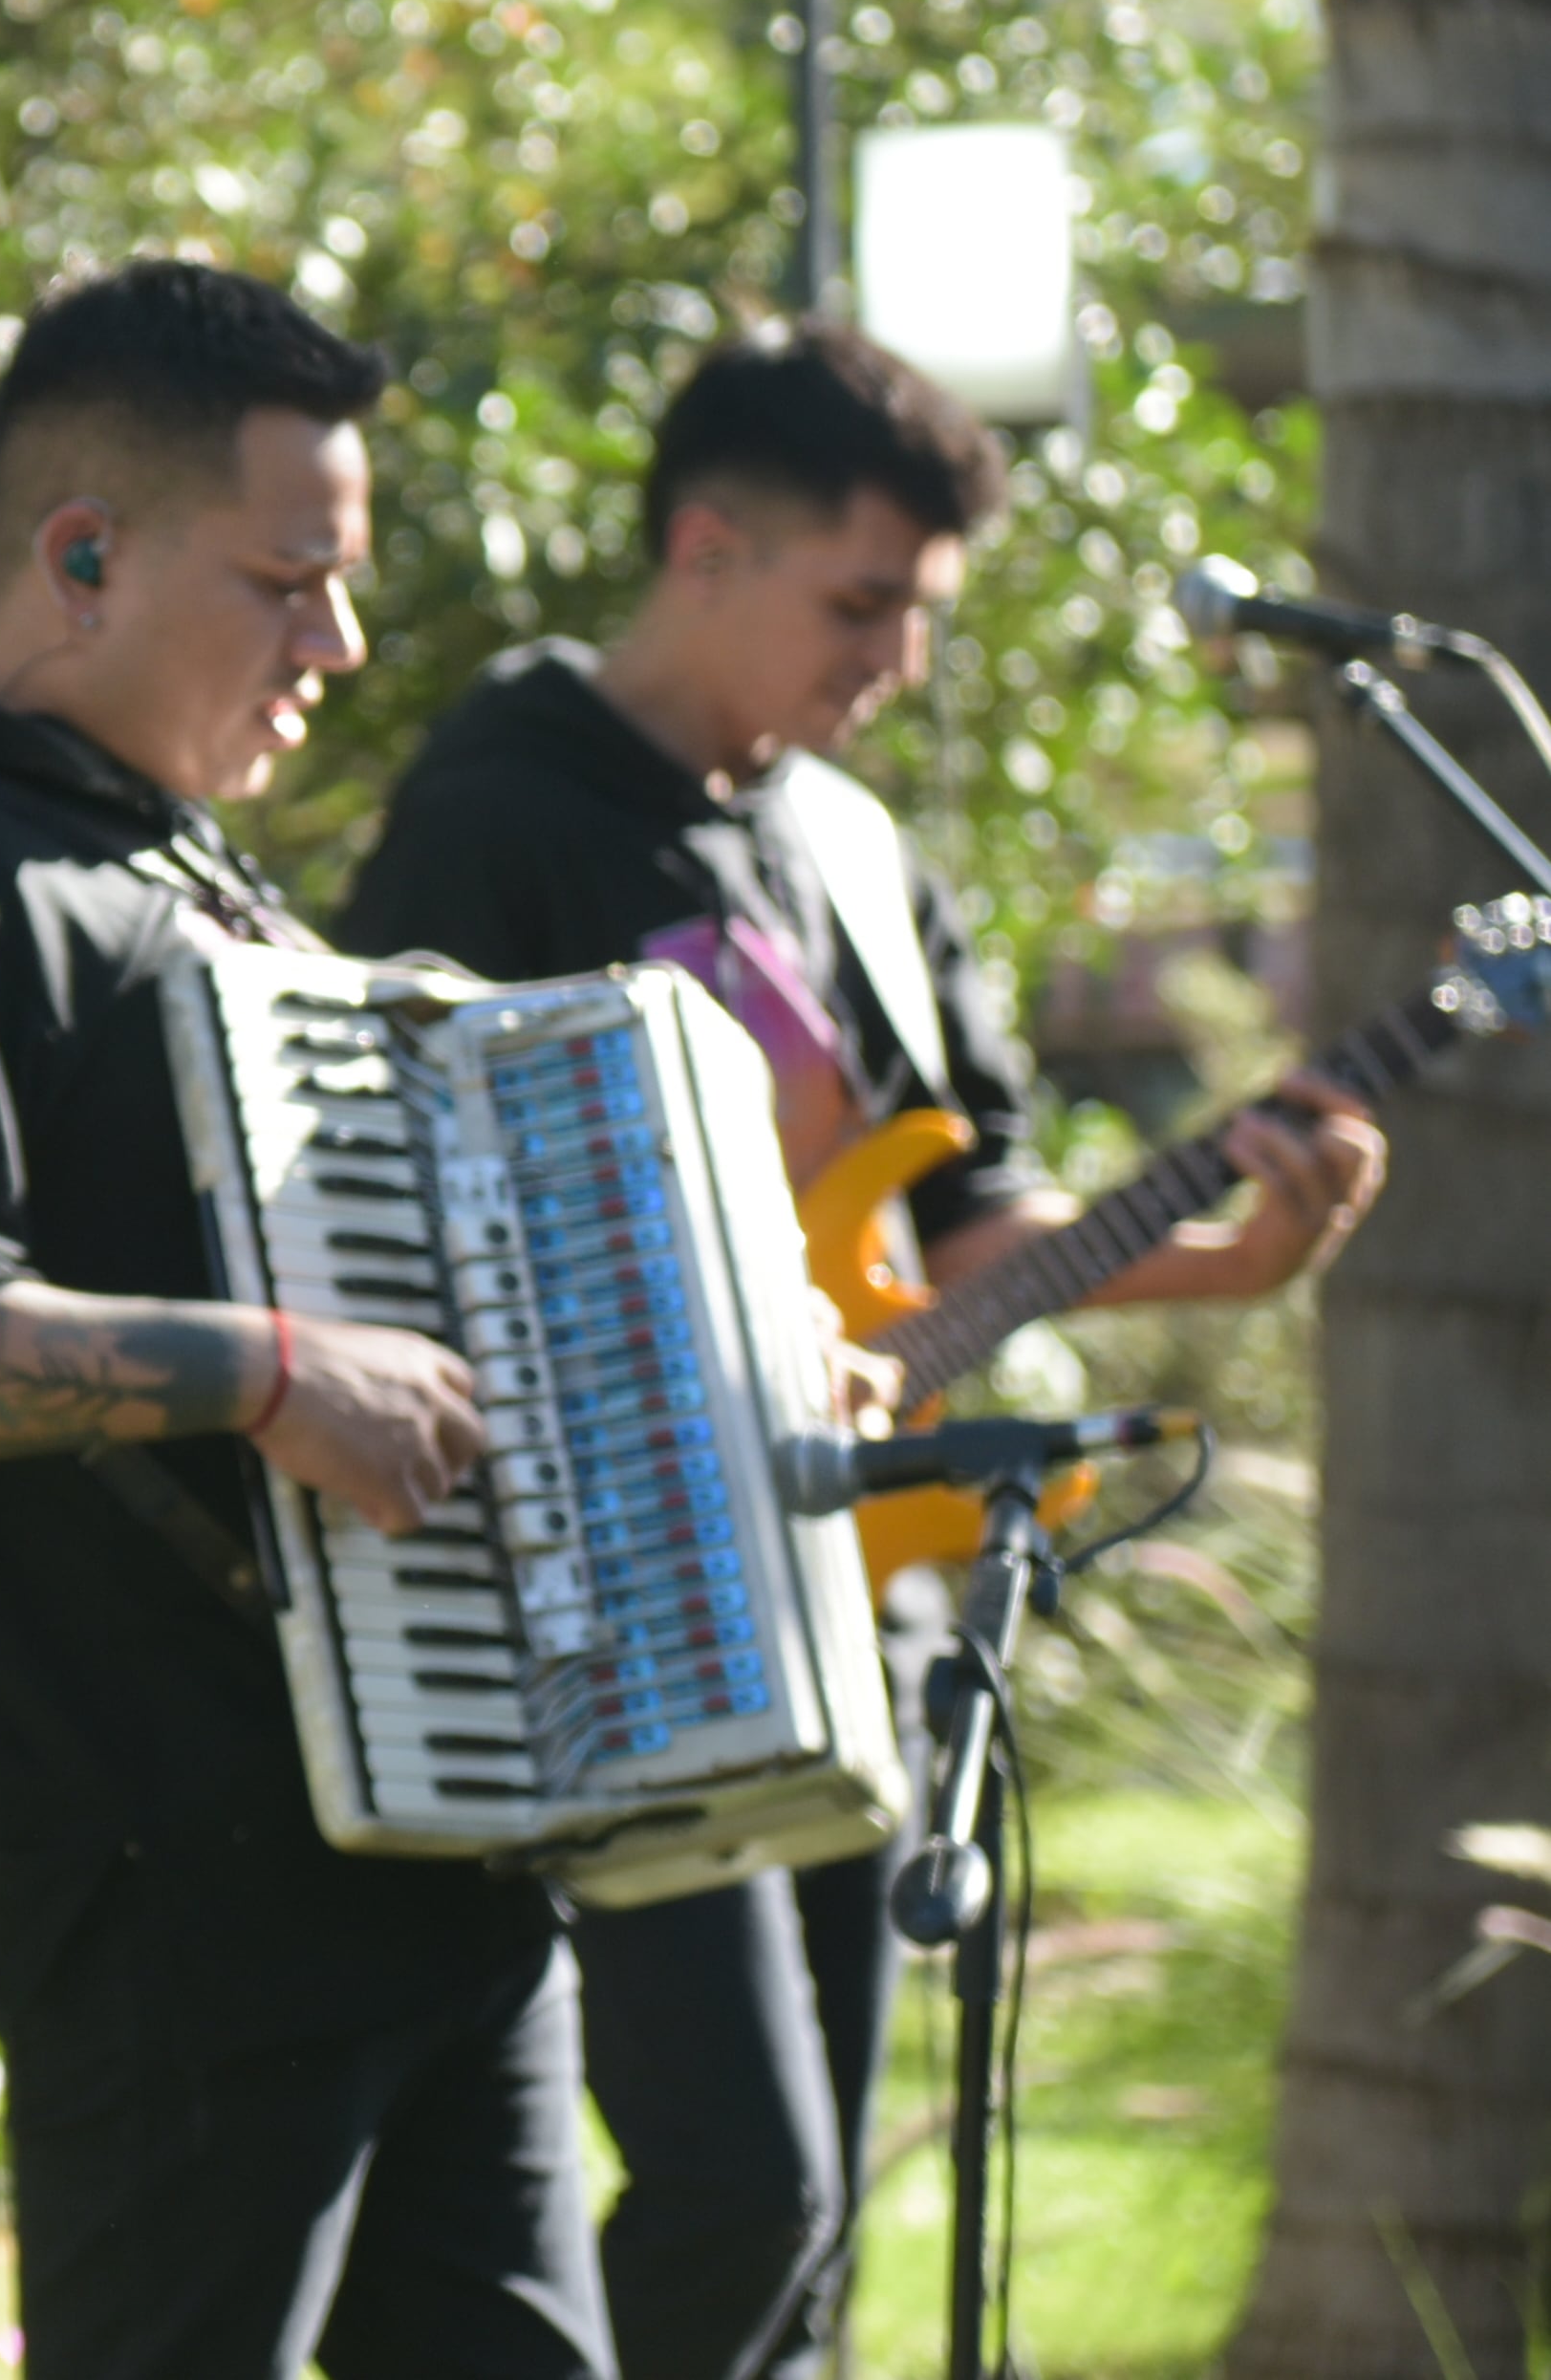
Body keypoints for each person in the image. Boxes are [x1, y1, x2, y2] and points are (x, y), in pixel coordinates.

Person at [335, 318, 1386, 2380]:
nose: (890, 659)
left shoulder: (848, 851)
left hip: (853, 1583)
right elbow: (387, 1185)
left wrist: (1241, 1255)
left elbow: (959, 1236)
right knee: (751, 2185)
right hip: (616, 1605)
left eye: (914, 613)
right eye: (861, 604)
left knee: (810, 2243)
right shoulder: (504, 807)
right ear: (706, 547)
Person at [0, 261, 612, 2379]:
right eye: (289, 580)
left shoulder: (161, 864)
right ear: (82, 555)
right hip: (175, 1888)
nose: (336, 647)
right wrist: (260, 1373)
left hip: (427, 1853)